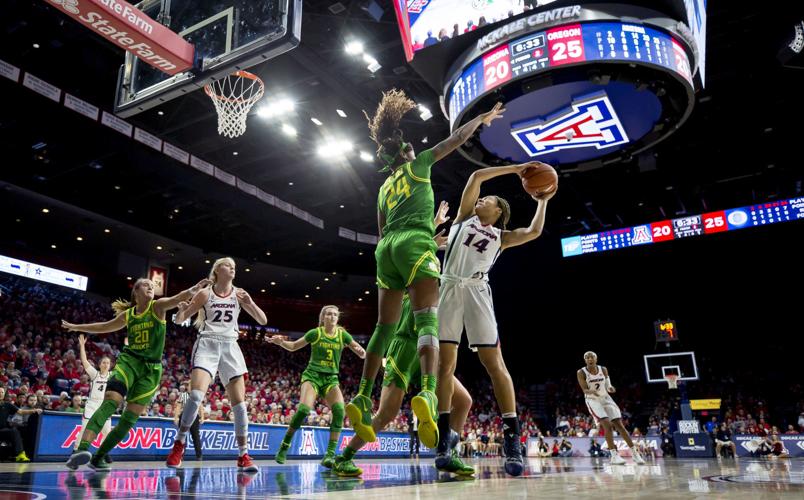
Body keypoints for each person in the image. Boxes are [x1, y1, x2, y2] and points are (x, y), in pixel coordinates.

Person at [347, 89, 504, 451]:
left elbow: (384, 232)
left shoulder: (385, 186)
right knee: (428, 320)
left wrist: (428, 230)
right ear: (407, 153)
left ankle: (361, 395)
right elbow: (455, 139)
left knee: (381, 328)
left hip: (387, 250)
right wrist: (479, 120)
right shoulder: (419, 166)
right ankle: (431, 395)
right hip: (415, 244)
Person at [334, 207, 475, 477]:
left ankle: (448, 452)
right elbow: (415, 254)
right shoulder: (414, 279)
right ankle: (345, 457)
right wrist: (432, 231)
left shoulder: (437, 281)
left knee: (464, 400)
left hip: (425, 350)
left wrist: (434, 231)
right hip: (406, 345)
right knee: (386, 414)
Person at [435, 162, 555, 476]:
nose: (480, 200)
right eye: (480, 198)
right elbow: (475, 176)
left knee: (494, 363)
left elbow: (534, 231)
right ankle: (445, 438)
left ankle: (512, 438)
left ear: (499, 210)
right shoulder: (462, 218)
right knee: (445, 366)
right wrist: (516, 169)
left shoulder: (501, 236)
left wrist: (541, 202)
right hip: (448, 287)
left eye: (486, 200)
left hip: (477, 291)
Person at [64, 277, 211, 470]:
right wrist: (77, 327)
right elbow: (104, 326)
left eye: (152, 285)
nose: (151, 286)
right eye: (146, 285)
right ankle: (82, 450)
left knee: (127, 422)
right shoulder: (129, 315)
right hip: (129, 362)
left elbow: (177, 298)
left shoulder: (157, 307)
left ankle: (98, 457)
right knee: (111, 400)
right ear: (136, 291)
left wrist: (193, 289)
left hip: (151, 371)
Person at [166, 258, 267, 471]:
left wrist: (250, 303)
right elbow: (178, 319)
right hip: (208, 344)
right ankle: (180, 442)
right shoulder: (205, 293)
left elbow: (263, 320)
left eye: (234, 267)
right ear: (217, 270)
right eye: (227, 265)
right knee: (195, 396)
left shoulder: (240, 294)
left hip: (230, 346)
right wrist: (181, 310)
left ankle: (243, 454)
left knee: (239, 405)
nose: (232, 268)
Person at [267, 305, 365, 467]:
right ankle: (284, 446)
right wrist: (280, 342)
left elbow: (359, 351)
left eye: (335, 314)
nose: (332, 317)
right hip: (312, 376)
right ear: (323, 318)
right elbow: (293, 347)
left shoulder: (343, 335)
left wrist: (361, 353)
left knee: (340, 411)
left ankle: (329, 455)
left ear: (337, 318)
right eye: (328, 314)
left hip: (331, 379)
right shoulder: (315, 333)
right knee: (304, 410)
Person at [577, 351, 645, 465]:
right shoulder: (581, 372)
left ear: (596, 359)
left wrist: (610, 388)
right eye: (587, 357)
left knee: (620, 426)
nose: (590, 359)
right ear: (585, 360)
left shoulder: (603, 369)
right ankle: (614, 456)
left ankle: (635, 454)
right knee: (607, 425)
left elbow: (608, 385)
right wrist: (591, 391)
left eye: (592, 357)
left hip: (606, 398)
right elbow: (584, 390)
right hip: (593, 400)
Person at [73, 334, 114, 455]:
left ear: (110, 365)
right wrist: (82, 346)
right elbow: (84, 361)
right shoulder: (94, 374)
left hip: (105, 405)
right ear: (100, 364)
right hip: (92, 404)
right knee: (86, 429)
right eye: (104, 362)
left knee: (106, 432)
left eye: (108, 363)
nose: (106, 364)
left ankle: (101, 454)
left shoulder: (112, 376)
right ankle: (75, 451)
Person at [0, 386, 35, 462]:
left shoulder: (7, 405)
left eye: (2, 392)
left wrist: (33, 410)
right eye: (0, 392)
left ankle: (20, 454)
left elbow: (21, 411)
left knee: (14, 431)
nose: (1, 394)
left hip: (2, 430)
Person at [174, 392, 205, 460]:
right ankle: (180, 455)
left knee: (196, 436)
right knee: (182, 436)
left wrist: (202, 417)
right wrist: (176, 417)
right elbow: (178, 406)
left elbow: (200, 405)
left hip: (195, 415)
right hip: (184, 415)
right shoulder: (183, 394)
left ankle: (199, 456)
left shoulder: (198, 394)